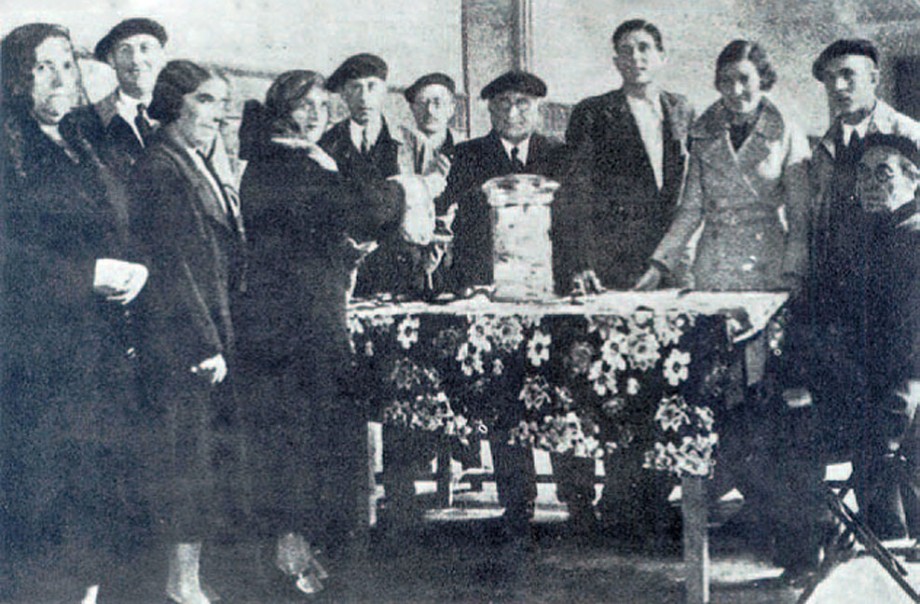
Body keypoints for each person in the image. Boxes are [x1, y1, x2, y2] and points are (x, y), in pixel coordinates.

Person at [234, 69, 407, 594]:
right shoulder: (285, 161)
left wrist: (341, 250)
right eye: (302, 105)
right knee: (306, 440)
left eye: (319, 104)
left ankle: (310, 559)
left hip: (301, 315)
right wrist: (406, 189)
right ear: (281, 111)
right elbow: (357, 207)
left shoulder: (290, 159)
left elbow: (314, 227)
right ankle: (303, 563)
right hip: (294, 326)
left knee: (312, 439)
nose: (314, 114)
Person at [0, 23, 148, 604]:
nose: (61, 77)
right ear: (15, 76)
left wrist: (131, 270)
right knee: (41, 509)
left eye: (67, 63)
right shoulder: (7, 146)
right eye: (43, 66)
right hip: (34, 365)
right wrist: (82, 276)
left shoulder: (79, 144)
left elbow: (109, 229)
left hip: (96, 357)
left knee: (92, 505)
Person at [437, 70, 589, 541]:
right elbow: (454, 227)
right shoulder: (465, 157)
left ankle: (579, 501)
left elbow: (576, 224)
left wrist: (579, 272)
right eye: (503, 104)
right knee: (503, 396)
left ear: (538, 109)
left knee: (563, 396)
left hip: (551, 296)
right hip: (493, 298)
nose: (513, 112)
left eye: (523, 103)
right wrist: (465, 284)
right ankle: (516, 504)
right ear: (489, 110)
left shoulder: (561, 157)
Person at [131, 60, 245, 604]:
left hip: (206, 335)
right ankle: (181, 587)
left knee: (198, 463)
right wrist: (204, 344)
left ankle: (189, 582)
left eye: (220, 103)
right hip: (182, 343)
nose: (216, 113)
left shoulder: (192, 161)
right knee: (186, 465)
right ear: (174, 103)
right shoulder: (161, 166)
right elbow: (172, 264)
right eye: (204, 100)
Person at [380, 71, 464, 535]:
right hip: (408, 276)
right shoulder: (399, 150)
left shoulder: (465, 152)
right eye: (423, 102)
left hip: (453, 276)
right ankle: (401, 492)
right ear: (411, 108)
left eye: (440, 101)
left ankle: (453, 466)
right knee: (405, 381)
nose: (432, 109)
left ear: (452, 107)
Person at [564, 19, 694, 293]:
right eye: (625, 51)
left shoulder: (682, 108)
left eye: (644, 48)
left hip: (671, 257)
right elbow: (577, 192)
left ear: (662, 56)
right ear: (616, 61)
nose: (635, 57)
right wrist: (582, 262)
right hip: (614, 258)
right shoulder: (593, 113)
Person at [322, 53, 446, 299]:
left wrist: (431, 259)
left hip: (406, 272)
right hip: (346, 276)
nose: (364, 97)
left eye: (371, 86)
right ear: (344, 94)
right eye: (355, 88)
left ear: (384, 91)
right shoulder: (327, 145)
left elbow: (438, 208)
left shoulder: (413, 144)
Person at [70, 18, 168, 176]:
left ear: (162, 57)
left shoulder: (183, 114)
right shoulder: (86, 122)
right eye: (125, 50)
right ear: (111, 60)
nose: (136, 60)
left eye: (145, 48)